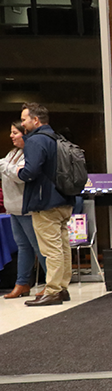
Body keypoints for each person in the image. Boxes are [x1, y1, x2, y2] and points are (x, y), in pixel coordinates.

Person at [17, 103, 76, 307]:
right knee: (62, 245)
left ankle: (52, 290)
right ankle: (62, 288)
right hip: (64, 199)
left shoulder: (36, 141)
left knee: (51, 249)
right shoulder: (57, 138)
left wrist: (19, 173)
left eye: (24, 119)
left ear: (36, 120)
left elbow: (31, 171)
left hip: (45, 201)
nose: (22, 123)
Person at [0, 121, 46, 299]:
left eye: (15, 133)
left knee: (37, 246)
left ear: (25, 134)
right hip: (13, 208)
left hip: (27, 208)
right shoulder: (12, 153)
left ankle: (52, 283)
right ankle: (22, 283)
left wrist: (4, 166)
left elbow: (21, 175)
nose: (11, 136)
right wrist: (6, 167)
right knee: (23, 246)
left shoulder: (31, 153)